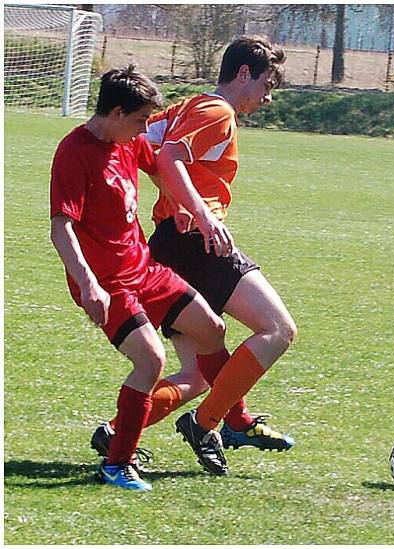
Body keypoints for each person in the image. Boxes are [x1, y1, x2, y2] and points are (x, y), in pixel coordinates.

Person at [92, 36, 297, 475]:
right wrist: (201, 214)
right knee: (278, 329)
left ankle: (118, 431)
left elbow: (142, 144)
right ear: (244, 73)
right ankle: (210, 424)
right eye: (266, 84)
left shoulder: (186, 106)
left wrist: (175, 203)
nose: (267, 96)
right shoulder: (217, 111)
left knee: (200, 374)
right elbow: (169, 157)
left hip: (167, 244)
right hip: (197, 244)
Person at [50, 66, 230, 491]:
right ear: (114, 112)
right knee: (151, 360)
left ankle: (232, 420)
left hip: (144, 269)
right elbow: (62, 228)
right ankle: (117, 463)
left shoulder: (128, 142)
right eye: (138, 121)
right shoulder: (75, 152)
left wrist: (179, 203)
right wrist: (88, 284)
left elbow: (160, 167)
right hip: (106, 282)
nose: (143, 130)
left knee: (212, 329)